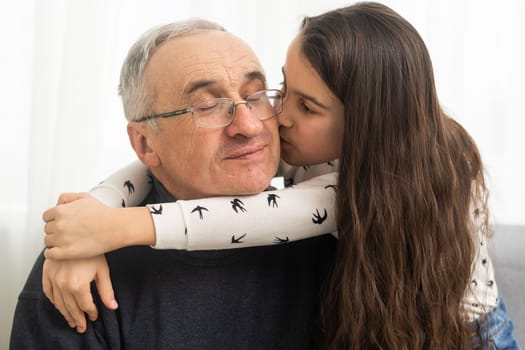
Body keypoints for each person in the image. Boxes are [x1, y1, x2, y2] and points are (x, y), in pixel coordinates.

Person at [41, 2, 520, 349]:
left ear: (364, 124)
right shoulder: (316, 145)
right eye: (282, 90)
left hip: (472, 337)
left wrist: (111, 228)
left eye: (305, 106)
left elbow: (246, 218)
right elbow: (146, 163)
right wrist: (82, 224)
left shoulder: (375, 180)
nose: (267, 120)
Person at [10, 19, 337, 349]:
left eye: (255, 96)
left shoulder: (337, 249)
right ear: (145, 144)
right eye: (208, 106)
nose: (249, 126)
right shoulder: (75, 278)